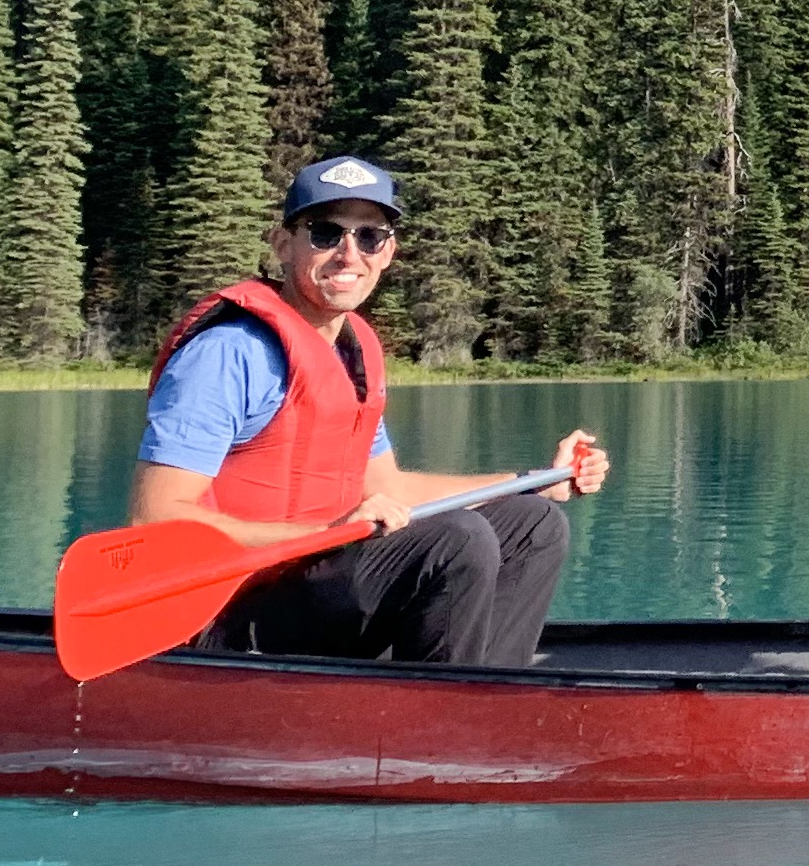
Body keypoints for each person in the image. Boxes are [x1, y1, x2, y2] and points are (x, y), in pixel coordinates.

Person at [133, 155, 610, 669]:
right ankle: (441, 711)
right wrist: (325, 533)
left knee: (534, 523)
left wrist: (536, 481)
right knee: (456, 540)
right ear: (283, 244)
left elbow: (390, 491)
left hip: (317, 584)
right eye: (325, 233)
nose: (348, 254)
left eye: (369, 237)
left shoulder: (352, 353)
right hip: (228, 614)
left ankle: (489, 695)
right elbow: (156, 518)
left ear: (388, 253)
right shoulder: (228, 353)